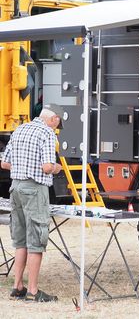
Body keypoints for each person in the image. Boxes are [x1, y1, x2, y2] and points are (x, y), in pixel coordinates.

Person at [1, 104, 64, 302]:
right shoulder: (46, 133)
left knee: (20, 241)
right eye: (58, 123)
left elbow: (4, 163)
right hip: (34, 189)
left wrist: (22, 166)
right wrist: (57, 168)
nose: (57, 127)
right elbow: (46, 166)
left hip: (16, 188)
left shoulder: (20, 129)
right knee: (36, 240)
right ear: (53, 119)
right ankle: (33, 291)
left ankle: (17, 286)